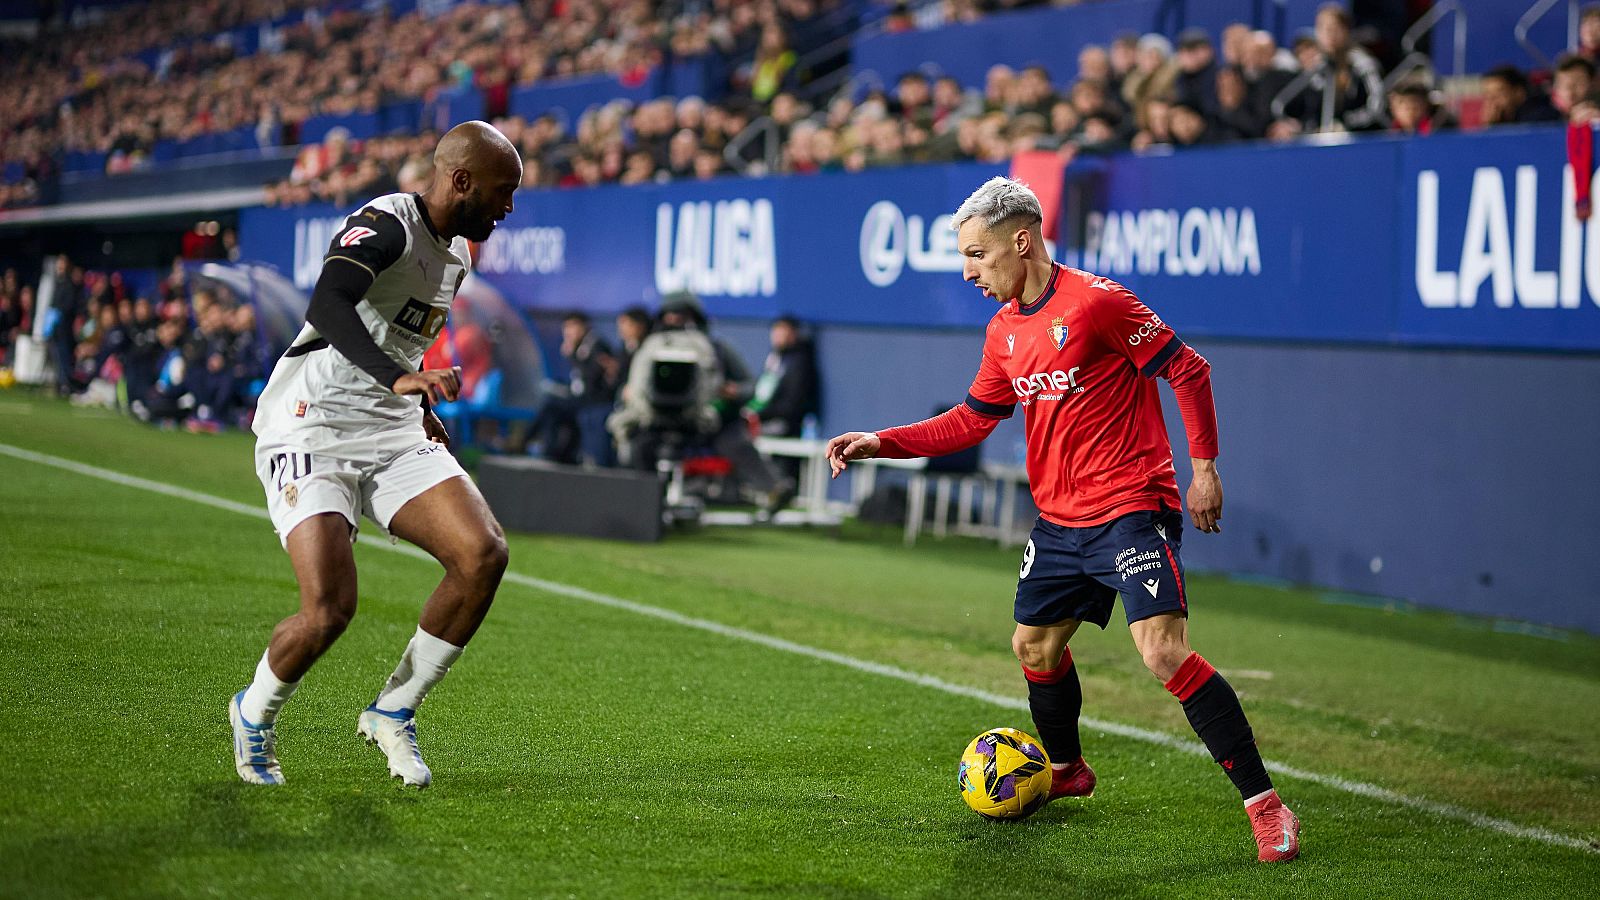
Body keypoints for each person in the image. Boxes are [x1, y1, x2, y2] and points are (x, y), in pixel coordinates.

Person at [824, 177, 1300, 863]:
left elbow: (1189, 370)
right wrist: (882, 441)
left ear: (1021, 241)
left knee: (1162, 652)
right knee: (1034, 650)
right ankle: (1068, 769)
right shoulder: (1003, 331)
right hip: (1058, 523)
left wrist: (1204, 469)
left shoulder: (1098, 303)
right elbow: (970, 421)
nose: (969, 272)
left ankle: (1267, 807)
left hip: (1131, 507)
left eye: (977, 255)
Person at [229, 121, 520, 788]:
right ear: (462, 180)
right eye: (503, 191)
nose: (508, 207)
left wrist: (418, 402)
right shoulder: (385, 224)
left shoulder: (458, 255)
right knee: (329, 609)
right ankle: (253, 712)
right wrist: (397, 379)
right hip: (313, 424)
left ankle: (393, 709)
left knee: (482, 554)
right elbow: (329, 303)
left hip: (392, 425)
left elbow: (400, 338)